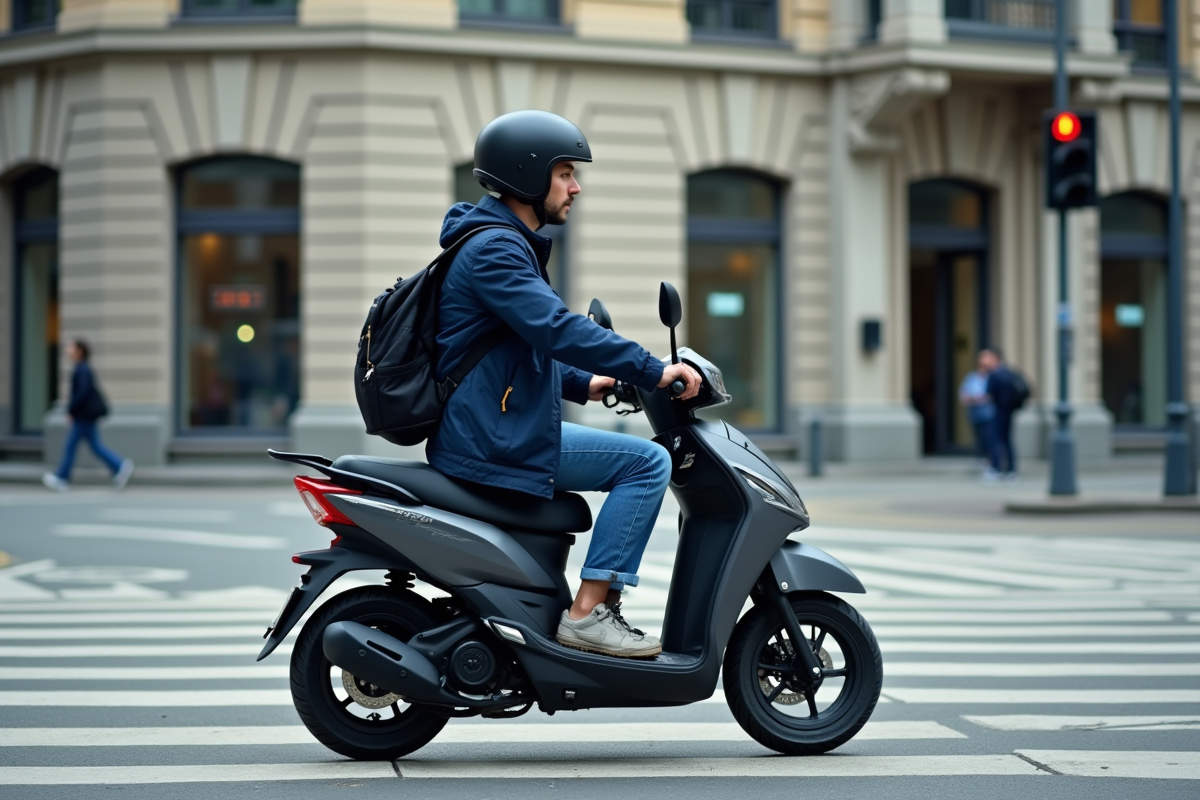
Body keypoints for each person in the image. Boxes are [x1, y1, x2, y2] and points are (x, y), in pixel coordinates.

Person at [428, 110, 702, 659]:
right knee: (647, 463)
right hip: (491, 437)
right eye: (565, 173)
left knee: (639, 459)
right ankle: (588, 615)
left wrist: (586, 382)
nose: (575, 187)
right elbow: (556, 329)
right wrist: (650, 369)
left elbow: (517, 351)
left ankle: (589, 610)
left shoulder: (502, 241)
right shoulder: (496, 249)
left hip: (495, 424)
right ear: (526, 175)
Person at [42, 339, 134, 492]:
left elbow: (82, 393)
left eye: (71, 347)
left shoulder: (82, 369)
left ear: (80, 351)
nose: (68, 350)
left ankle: (62, 477)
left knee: (71, 446)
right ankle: (119, 466)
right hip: (84, 416)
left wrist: (71, 410)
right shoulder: (83, 368)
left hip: (83, 416)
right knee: (93, 446)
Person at [982, 348, 1020, 482]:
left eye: (986, 357)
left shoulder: (994, 374)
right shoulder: (1009, 372)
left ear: (995, 358)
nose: (983, 360)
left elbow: (988, 393)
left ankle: (996, 468)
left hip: (999, 411)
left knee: (995, 439)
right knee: (1007, 440)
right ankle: (1011, 471)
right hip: (1008, 411)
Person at [958, 351, 995, 475]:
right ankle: (982, 460)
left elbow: (994, 396)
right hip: (975, 414)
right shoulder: (971, 377)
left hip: (990, 414)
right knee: (979, 438)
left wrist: (981, 398)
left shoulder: (992, 377)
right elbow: (963, 396)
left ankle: (991, 461)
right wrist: (975, 398)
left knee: (989, 438)